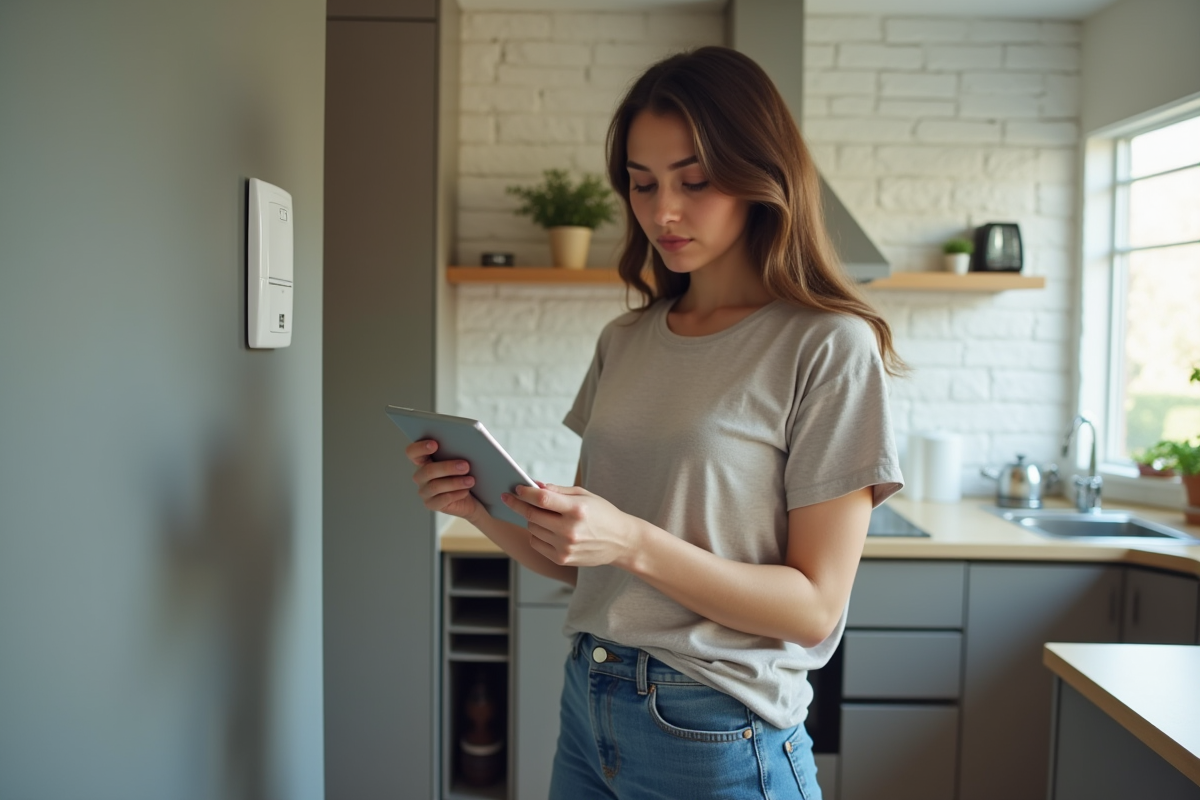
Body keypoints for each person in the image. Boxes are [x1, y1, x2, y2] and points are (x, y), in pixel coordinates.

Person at [408, 46, 904, 800]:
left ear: (758, 176)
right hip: (590, 701)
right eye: (642, 184)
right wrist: (476, 507)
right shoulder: (627, 340)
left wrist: (635, 540)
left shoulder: (826, 344)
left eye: (694, 181)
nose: (662, 210)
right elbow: (589, 565)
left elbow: (813, 609)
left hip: (718, 729)